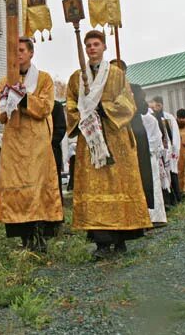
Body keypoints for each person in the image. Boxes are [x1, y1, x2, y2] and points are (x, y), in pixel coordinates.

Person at [66, 30, 152, 259]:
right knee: (94, 187)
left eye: (96, 44)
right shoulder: (77, 77)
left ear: (104, 47)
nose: (92, 48)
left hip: (114, 137)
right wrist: (83, 113)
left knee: (118, 185)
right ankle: (101, 243)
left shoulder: (115, 74)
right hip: (90, 139)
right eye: (88, 45)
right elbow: (70, 104)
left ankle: (121, 238)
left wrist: (104, 109)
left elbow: (127, 101)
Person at [0, 37, 63, 251]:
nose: (18, 54)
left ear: (31, 53)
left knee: (37, 188)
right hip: (14, 142)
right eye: (15, 51)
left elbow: (45, 107)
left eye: (22, 50)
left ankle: (40, 234)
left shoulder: (44, 79)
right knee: (18, 190)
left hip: (36, 143)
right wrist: (6, 99)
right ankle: (24, 237)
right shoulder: (5, 81)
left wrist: (23, 98)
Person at [130, 83, 165, 225]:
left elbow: (157, 137)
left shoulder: (149, 119)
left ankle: (155, 217)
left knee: (153, 185)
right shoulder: (133, 118)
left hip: (149, 156)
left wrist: (147, 150)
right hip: (138, 155)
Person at [149, 96, 182, 205]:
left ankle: (177, 198)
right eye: (154, 106)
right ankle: (167, 200)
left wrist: (175, 148)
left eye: (158, 106)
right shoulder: (152, 117)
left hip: (169, 150)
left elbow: (175, 134)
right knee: (163, 176)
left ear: (162, 105)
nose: (156, 108)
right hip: (159, 150)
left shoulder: (169, 117)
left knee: (172, 173)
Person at [51, 100, 67, 204]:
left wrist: (48, 143)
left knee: (54, 182)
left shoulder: (55, 106)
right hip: (33, 154)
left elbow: (61, 129)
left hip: (52, 151)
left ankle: (56, 208)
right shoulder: (31, 106)